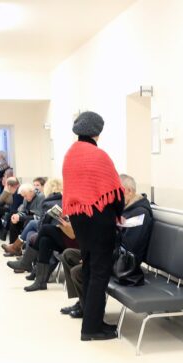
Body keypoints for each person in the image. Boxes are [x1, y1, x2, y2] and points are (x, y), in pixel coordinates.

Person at [63, 111, 125, 341]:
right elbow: (115, 191)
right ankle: (91, 328)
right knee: (100, 273)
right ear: (97, 131)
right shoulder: (98, 156)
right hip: (99, 221)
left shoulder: (70, 154)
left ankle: (93, 320)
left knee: (89, 268)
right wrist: (119, 214)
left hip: (79, 219)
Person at [60, 174, 153, 318]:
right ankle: (82, 302)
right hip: (112, 256)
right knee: (68, 255)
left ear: (129, 191)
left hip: (125, 264)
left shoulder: (140, 213)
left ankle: (91, 312)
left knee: (78, 272)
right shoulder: (126, 209)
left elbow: (128, 248)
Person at [2, 178, 63, 257]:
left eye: (25, 195)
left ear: (31, 192)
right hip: (38, 221)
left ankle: (16, 247)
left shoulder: (42, 197)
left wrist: (21, 218)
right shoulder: (26, 199)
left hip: (40, 221)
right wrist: (18, 215)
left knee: (30, 223)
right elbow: (23, 210)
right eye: (23, 196)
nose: (24, 198)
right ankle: (14, 248)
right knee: (17, 223)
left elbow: (40, 215)